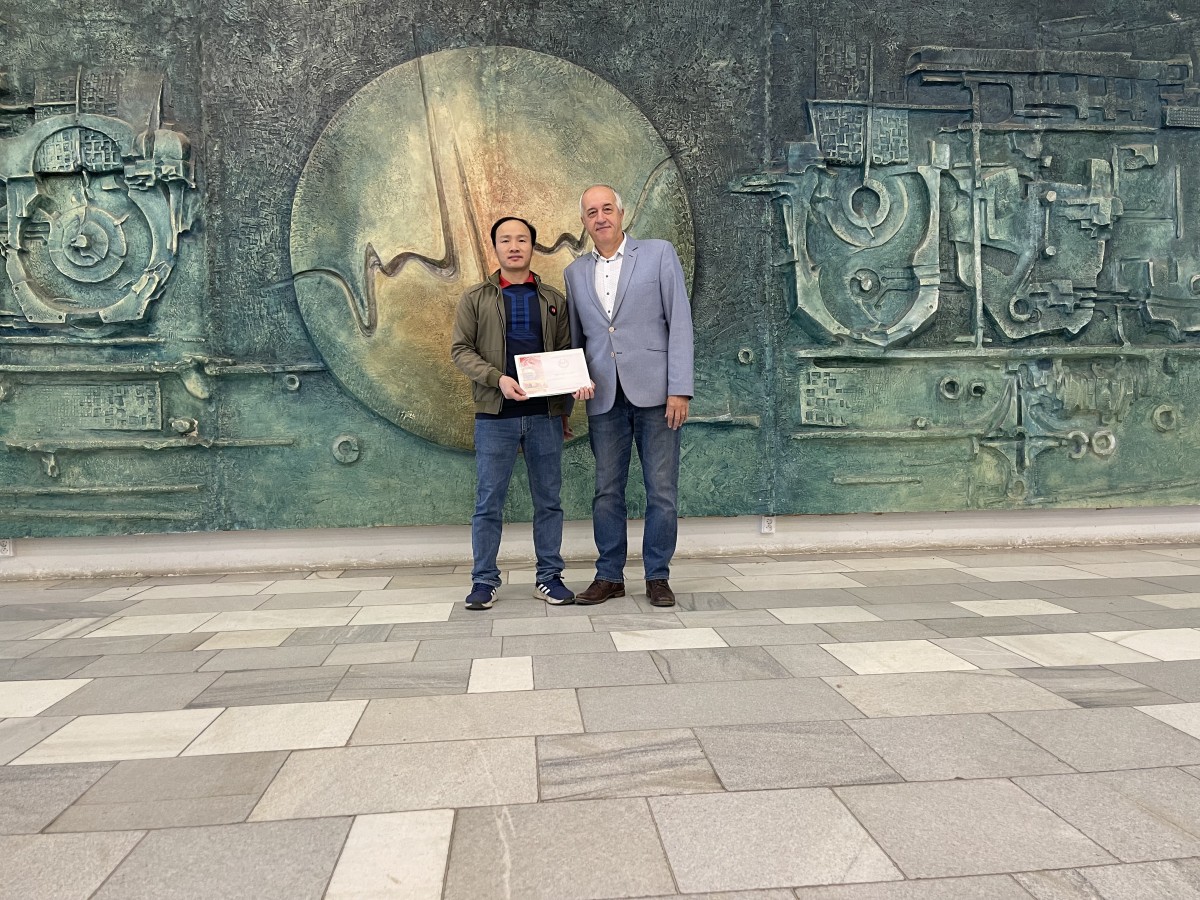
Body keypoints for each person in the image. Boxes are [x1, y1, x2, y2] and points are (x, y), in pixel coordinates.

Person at [564, 185, 694, 608]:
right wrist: (572, 390)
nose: (600, 217)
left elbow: (680, 323)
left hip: (658, 395)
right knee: (606, 491)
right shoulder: (574, 273)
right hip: (603, 398)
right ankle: (609, 576)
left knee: (662, 491)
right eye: (591, 212)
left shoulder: (658, 254)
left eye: (607, 209)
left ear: (621, 214)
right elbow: (575, 340)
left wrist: (679, 389)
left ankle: (658, 576)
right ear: (583, 222)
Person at [450, 216, 576, 610]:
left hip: (544, 417)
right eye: (505, 240)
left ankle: (549, 577)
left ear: (532, 246)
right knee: (488, 502)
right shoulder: (475, 298)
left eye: (522, 239)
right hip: (495, 415)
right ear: (495, 248)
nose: (514, 246)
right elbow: (461, 350)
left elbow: (565, 355)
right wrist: (497, 379)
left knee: (549, 501)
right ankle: (484, 581)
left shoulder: (553, 299)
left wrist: (564, 410)